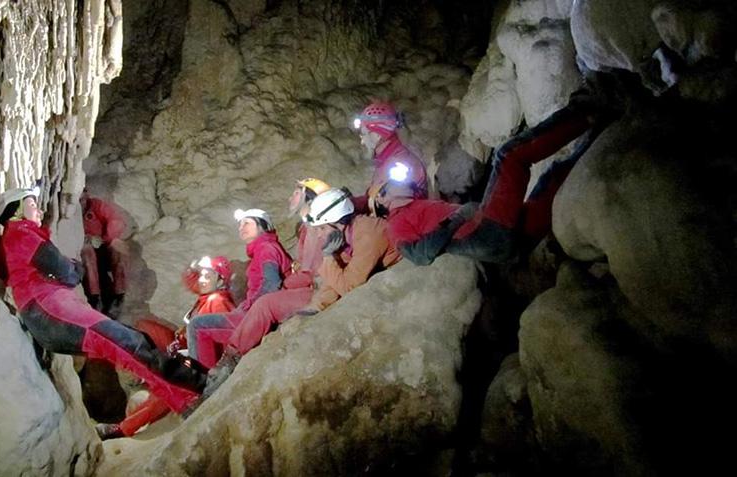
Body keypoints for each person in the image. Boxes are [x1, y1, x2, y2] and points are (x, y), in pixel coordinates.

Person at [0, 185, 205, 428]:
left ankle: (184, 400)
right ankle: (198, 385)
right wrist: (74, 267)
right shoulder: (21, 234)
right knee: (131, 345)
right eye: (31, 205)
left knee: (132, 345)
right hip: (52, 310)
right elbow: (67, 273)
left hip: (48, 315)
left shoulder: (14, 239)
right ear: (16, 212)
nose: (39, 210)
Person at [198, 188, 402, 400]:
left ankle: (226, 363)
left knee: (261, 306)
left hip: (317, 285)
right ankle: (224, 364)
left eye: (322, 229)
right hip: (309, 286)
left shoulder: (367, 234)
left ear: (335, 222)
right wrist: (315, 306)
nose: (320, 235)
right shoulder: (347, 234)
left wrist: (328, 259)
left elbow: (348, 286)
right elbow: (333, 281)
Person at [374, 91, 615, 265]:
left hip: (507, 244)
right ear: (383, 199)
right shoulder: (396, 223)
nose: (400, 182)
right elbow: (419, 255)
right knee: (509, 156)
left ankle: (603, 134)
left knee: (552, 181)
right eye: (391, 184)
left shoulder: (417, 205)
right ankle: (588, 108)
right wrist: (456, 217)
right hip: (486, 234)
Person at [96, 256, 236, 441]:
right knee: (145, 326)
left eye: (207, 276)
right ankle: (143, 367)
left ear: (220, 281)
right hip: (185, 346)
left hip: (200, 366)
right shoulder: (207, 296)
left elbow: (220, 345)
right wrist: (195, 269)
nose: (202, 280)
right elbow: (192, 282)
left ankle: (123, 429)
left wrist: (189, 363)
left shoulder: (218, 302)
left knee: (167, 389)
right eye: (201, 275)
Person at [186, 209, 293, 369]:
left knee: (197, 326)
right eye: (240, 224)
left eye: (247, 223)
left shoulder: (266, 248)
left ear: (262, 226)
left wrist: (250, 308)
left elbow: (272, 283)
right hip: (256, 311)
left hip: (258, 315)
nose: (241, 227)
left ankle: (200, 378)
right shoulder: (262, 249)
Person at [350, 101, 429, 212]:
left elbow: (403, 212)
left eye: (364, 134)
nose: (362, 141)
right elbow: (373, 198)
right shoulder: (386, 161)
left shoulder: (401, 164)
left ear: (377, 135)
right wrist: (350, 204)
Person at [79, 188, 129, 317]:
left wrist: (108, 238)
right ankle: (94, 298)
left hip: (102, 247)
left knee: (117, 252)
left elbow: (115, 220)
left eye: (84, 198)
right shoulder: (72, 213)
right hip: (84, 256)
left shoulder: (97, 206)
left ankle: (119, 296)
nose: (82, 202)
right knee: (87, 252)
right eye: (79, 199)